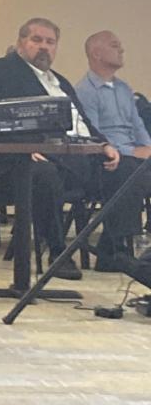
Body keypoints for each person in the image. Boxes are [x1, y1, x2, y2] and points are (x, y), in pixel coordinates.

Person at [0, 18, 124, 279]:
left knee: (130, 168)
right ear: (21, 43)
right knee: (43, 172)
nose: (44, 47)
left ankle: (113, 250)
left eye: (50, 42)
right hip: (15, 164)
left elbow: (82, 121)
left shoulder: (60, 82)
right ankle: (57, 252)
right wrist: (21, 147)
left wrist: (104, 144)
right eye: (36, 40)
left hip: (75, 155)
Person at [74, 30, 151, 269]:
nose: (122, 50)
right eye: (115, 45)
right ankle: (116, 248)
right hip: (105, 161)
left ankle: (115, 248)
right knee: (129, 170)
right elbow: (93, 135)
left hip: (132, 156)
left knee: (136, 169)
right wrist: (131, 153)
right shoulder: (85, 91)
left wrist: (147, 148)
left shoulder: (123, 88)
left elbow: (138, 127)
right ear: (96, 53)